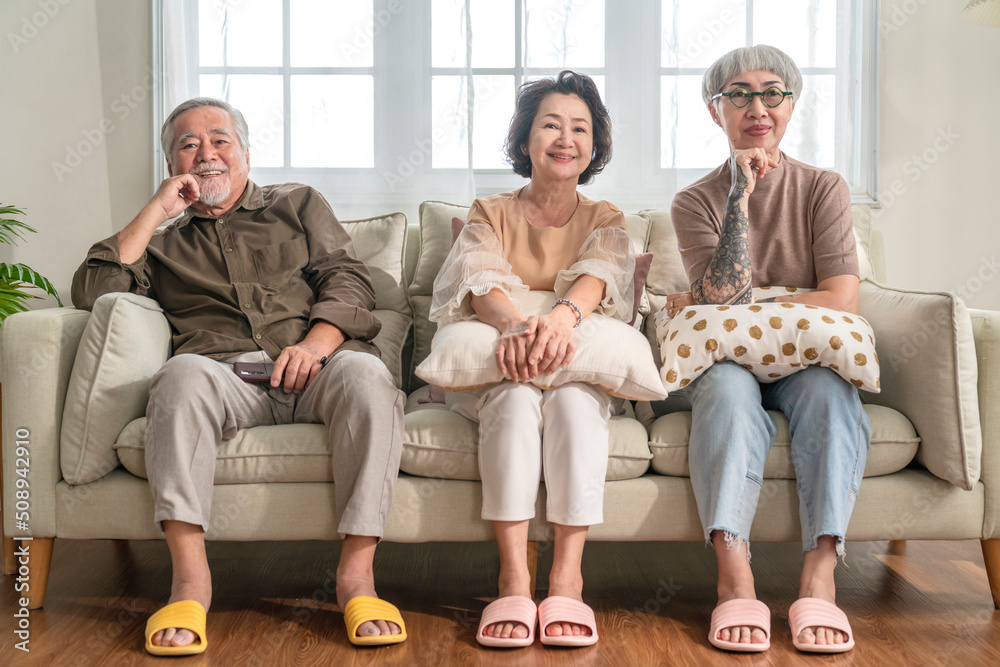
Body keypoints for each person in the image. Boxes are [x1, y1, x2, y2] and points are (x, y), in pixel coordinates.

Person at [71, 97, 407, 655]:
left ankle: (357, 579)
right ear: (173, 164)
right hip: (224, 377)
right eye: (188, 145)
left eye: (220, 140)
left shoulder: (297, 204)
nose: (206, 154)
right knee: (179, 376)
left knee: (369, 378)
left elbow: (348, 279)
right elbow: (96, 294)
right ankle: (189, 584)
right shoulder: (160, 243)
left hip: (314, 364)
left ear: (246, 154)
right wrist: (157, 209)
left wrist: (317, 344)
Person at [658, 45, 869, 654]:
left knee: (831, 393)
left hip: (806, 360)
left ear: (791, 105)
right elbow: (725, 297)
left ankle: (820, 578)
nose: (757, 107)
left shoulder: (823, 187)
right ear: (714, 111)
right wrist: (738, 198)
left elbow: (842, 298)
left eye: (772, 93)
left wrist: (752, 305)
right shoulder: (694, 200)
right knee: (724, 389)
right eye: (739, 95)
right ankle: (734, 577)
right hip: (726, 360)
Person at [429, 71, 634, 648]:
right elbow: (478, 280)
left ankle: (568, 579)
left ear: (593, 147)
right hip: (505, 363)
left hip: (574, 363)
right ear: (526, 141)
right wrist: (518, 326)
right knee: (518, 403)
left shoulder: (606, 218)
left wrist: (559, 320)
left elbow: (598, 279)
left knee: (571, 405)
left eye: (580, 128)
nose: (565, 138)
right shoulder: (489, 210)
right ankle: (514, 577)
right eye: (551, 125)